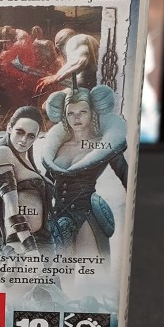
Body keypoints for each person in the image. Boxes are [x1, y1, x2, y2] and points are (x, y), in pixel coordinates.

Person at [41, 83, 128, 259]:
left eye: (83, 112)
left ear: (92, 112)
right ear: (64, 116)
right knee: (62, 273)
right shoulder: (59, 147)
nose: (77, 118)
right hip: (58, 218)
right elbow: (46, 185)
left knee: (92, 272)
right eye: (70, 113)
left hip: (87, 216)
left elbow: (127, 177)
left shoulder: (104, 144)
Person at [0, 105, 56, 256]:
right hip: (21, 244)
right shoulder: (2, 153)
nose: (23, 140)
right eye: (20, 132)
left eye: (31, 136)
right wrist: (30, 248)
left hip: (43, 240)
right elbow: (11, 206)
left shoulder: (28, 162)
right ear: (9, 127)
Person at [36, 28, 99, 94]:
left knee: (53, 99)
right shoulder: (89, 40)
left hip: (85, 87)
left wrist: (56, 77)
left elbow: (80, 61)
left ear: (59, 45)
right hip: (93, 85)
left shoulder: (73, 40)